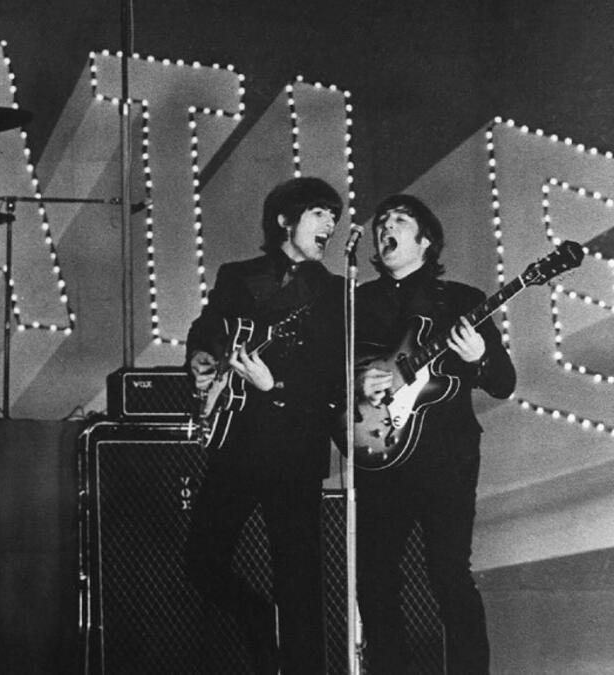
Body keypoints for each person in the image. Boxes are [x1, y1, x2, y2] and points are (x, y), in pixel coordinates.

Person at [184, 176, 345, 674]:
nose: (330, 225)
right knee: (200, 562)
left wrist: (275, 386)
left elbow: (332, 380)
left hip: (295, 450)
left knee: (300, 585)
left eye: (333, 217)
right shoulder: (239, 276)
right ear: (284, 220)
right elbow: (208, 329)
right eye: (319, 213)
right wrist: (202, 360)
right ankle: (257, 617)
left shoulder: (336, 293)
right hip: (237, 444)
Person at [354, 195, 515, 674]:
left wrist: (477, 357)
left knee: (448, 577)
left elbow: (503, 383)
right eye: (382, 220)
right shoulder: (357, 302)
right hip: (380, 453)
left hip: (445, 459)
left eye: (400, 219)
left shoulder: (462, 301)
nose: (386, 226)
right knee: (375, 581)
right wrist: (360, 378)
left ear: (425, 240)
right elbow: (329, 376)